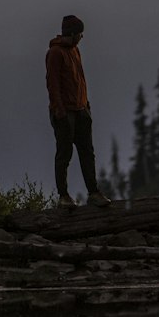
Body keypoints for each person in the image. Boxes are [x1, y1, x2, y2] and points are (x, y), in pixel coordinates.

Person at [45, 14, 111, 208]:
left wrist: (86, 105)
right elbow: (53, 84)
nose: (82, 38)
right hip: (65, 113)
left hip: (81, 110)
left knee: (87, 153)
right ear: (72, 34)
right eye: (80, 34)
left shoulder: (75, 52)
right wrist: (60, 111)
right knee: (64, 154)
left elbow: (80, 80)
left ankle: (94, 193)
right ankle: (63, 196)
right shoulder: (55, 53)